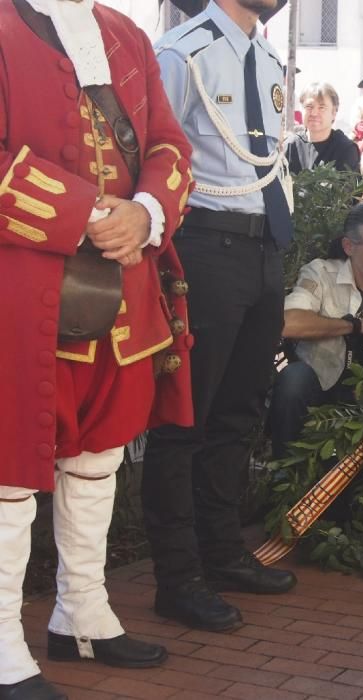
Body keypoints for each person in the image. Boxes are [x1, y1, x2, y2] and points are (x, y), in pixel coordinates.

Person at [0, 0, 195, 695]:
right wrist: (83, 212)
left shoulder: (124, 32)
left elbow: (170, 143)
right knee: (10, 469)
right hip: (21, 289)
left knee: (97, 457)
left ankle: (82, 614)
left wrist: (145, 212)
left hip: (123, 286)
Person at [143, 0, 298, 635]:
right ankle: (177, 580)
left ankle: (222, 551)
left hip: (262, 249)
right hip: (205, 247)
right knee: (185, 417)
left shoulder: (266, 57)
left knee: (238, 413)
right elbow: (152, 158)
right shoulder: (182, 52)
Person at [269, 201, 363, 458]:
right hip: (323, 393)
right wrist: (354, 326)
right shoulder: (321, 273)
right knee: (294, 379)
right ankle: (283, 473)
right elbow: (287, 322)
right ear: (348, 247)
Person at [286, 82, 360, 173]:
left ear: (334, 112)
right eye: (309, 107)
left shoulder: (346, 149)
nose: (314, 113)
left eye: (322, 107)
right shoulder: (290, 145)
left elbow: (348, 186)